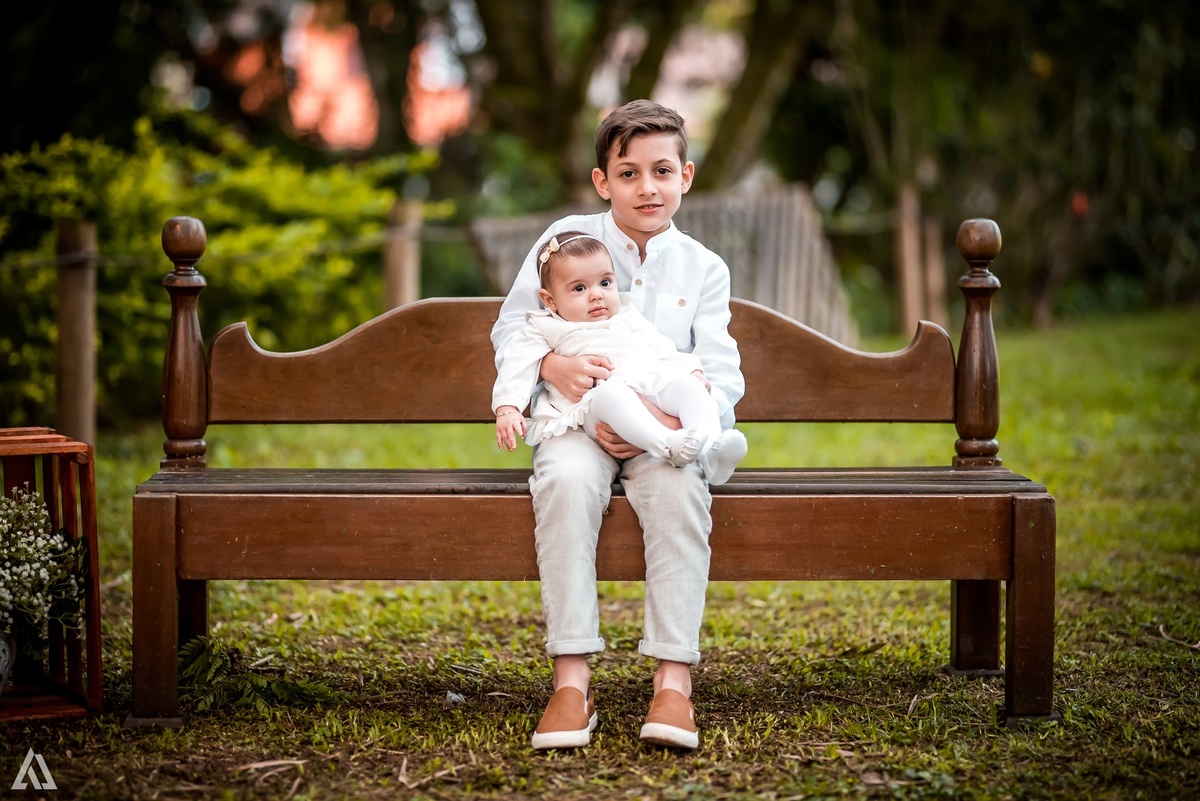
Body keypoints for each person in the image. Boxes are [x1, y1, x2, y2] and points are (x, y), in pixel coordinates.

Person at [491, 99, 745, 751]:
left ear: (686, 175)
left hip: (663, 429)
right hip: (577, 422)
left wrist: (664, 420)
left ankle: (673, 681)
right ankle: (571, 680)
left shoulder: (703, 268)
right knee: (566, 485)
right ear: (603, 181)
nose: (647, 187)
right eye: (628, 173)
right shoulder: (564, 241)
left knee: (679, 490)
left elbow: (720, 369)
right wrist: (553, 364)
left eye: (662, 170)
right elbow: (514, 326)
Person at [492, 230, 746, 486]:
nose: (596, 295)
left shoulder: (627, 315)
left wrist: (692, 371)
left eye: (605, 283)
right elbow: (517, 362)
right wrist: (507, 408)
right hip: (593, 407)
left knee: (688, 386)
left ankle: (712, 450)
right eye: (579, 288)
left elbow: (662, 351)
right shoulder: (546, 326)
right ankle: (667, 445)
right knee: (612, 393)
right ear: (550, 301)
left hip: (647, 389)